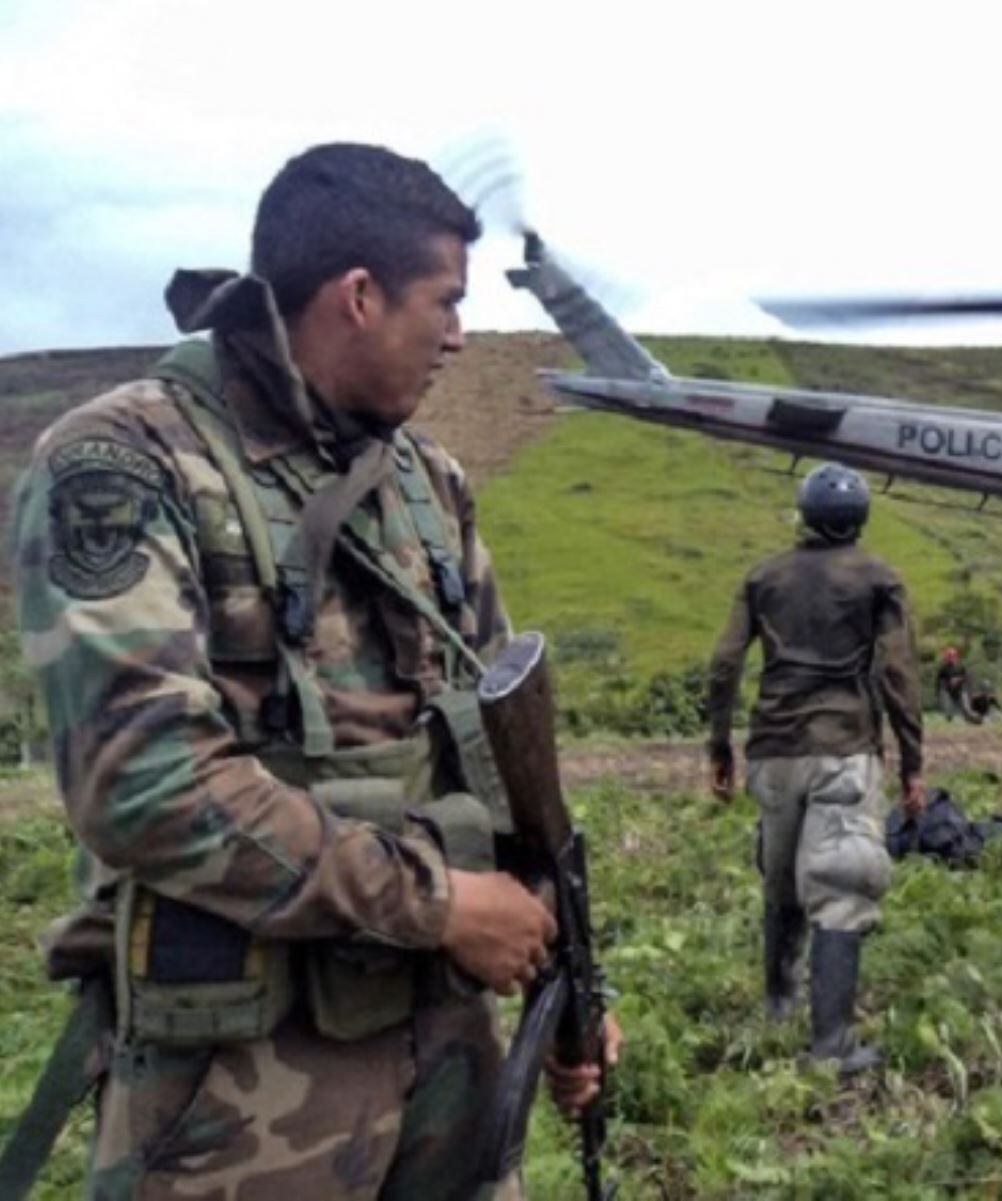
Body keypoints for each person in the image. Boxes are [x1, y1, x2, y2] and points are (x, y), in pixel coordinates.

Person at [6, 144, 615, 1199]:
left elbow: (504, 749)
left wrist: (565, 974)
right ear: (361, 296)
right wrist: (438, 904)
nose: (462, 337)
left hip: (446, 1058)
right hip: (243, 1087)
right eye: (447, 303)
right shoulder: (123, 463)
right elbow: (144, 784)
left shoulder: (428, 483)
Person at [706, 462, 926, 1076]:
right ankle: (830, 1044)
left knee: (779, 879)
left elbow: (724, 665)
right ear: (860, 519)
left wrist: (718, 746)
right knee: (842, 877)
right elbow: (899, 673)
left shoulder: (763, 577)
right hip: (844, 747)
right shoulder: (879, 579)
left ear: (805, 514)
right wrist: (913, 762)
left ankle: (779, 1003)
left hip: (772, 751)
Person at [934, 645, 972, 720]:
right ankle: (949, 719)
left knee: (966, 710)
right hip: (948, 691)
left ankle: (973, 718)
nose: (950, 657)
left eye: (952, 655)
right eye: (949, 655)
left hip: (961, 690)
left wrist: (958, 679)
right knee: (948, 713)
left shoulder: (961, 666)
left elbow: (968, 677)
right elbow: (938, 681)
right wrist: (937, 693)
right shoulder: (943, 668)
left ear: (956, 656)